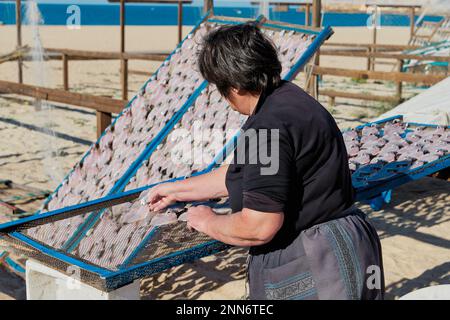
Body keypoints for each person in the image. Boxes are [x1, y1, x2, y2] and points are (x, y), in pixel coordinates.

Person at [147, 22, 384, 300]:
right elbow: (246, 175)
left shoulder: (265, 130)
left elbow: (259, 226)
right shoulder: (294, 100)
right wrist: (175, 190)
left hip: (317, 260)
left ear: (233, 86)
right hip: (353, 245)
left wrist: (208, 220)